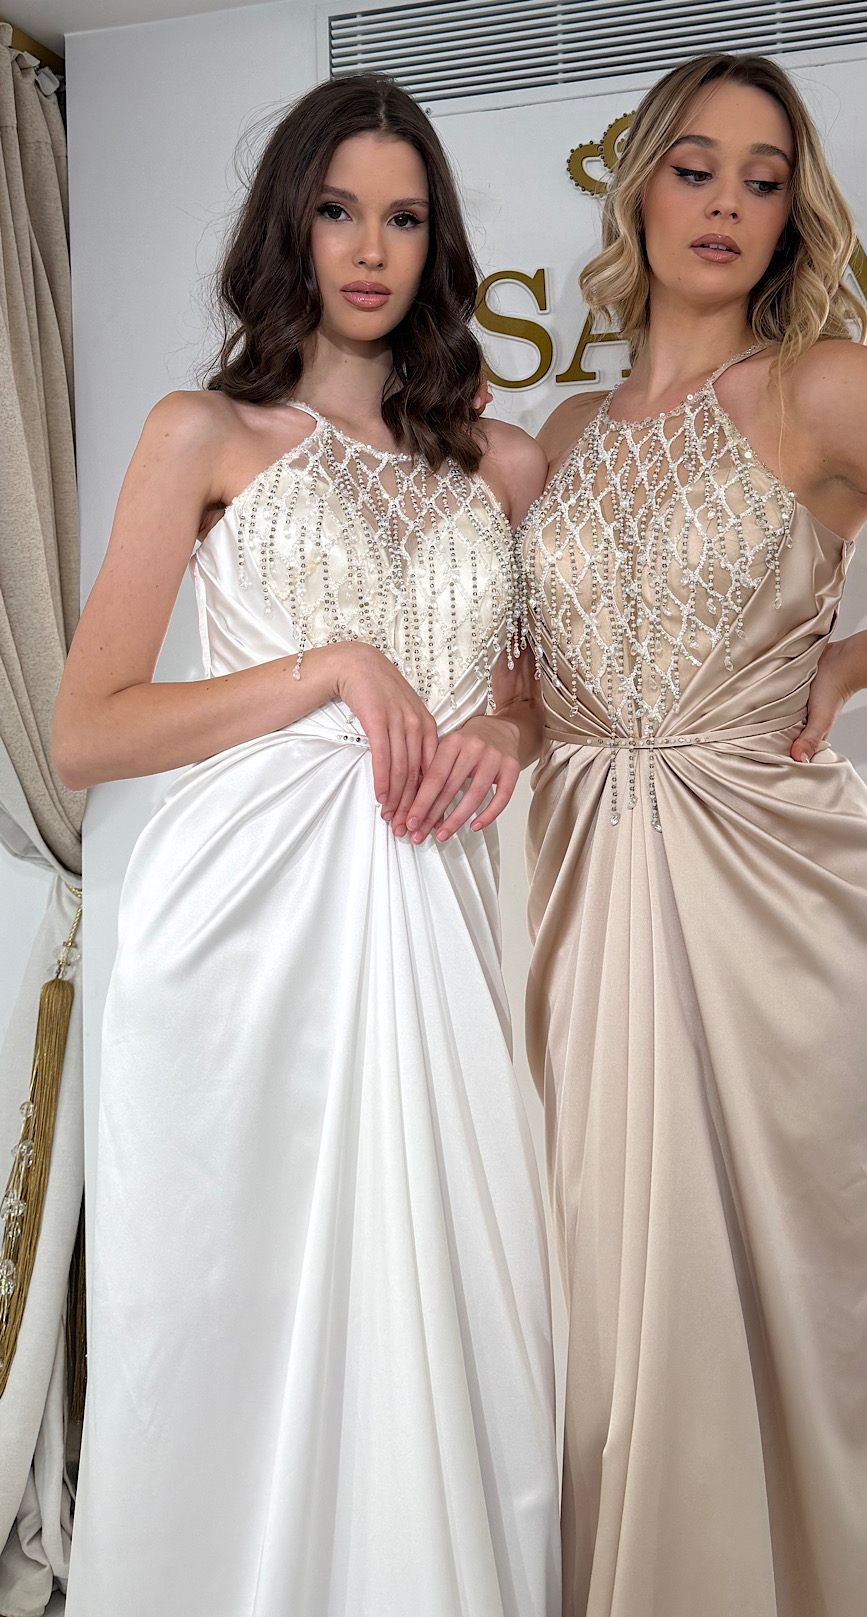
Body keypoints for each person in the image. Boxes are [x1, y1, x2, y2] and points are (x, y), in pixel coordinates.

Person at [521, 51, 867, 1617]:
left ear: (793, 217)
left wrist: (858, 660)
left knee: (784, 1341)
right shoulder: (564, 429)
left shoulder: (823, 391)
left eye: (764, 181)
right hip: (574, 908)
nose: (727, 204)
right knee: (595, 1340)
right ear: (637, 187)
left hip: (782, 922)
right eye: (696, 168)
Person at [54, 74, 559, 1617]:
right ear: (291, 222)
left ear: (436, 242)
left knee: (468, 1313)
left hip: (448, 928)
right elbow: (87, 728)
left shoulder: (503, 466)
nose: (371, 247)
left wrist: (509, 735)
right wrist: (328, 666)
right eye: (340, 209)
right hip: (247, 950)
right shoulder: (202, 432)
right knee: (238, 1327)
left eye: (404, 217)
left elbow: (528, 694)